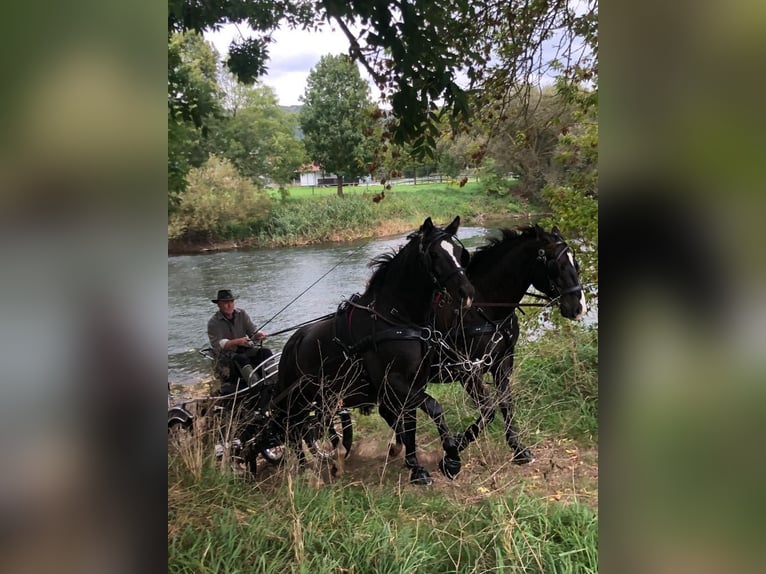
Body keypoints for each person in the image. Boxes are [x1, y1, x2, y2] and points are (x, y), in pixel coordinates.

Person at [207, 289, 273, 405]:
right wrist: (237, 341)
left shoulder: (241, 314)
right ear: (219, 304)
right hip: (225, 356)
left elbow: (252, 332)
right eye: (225, 302)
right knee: (241, 358)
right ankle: (256, 388)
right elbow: (220, 345)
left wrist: (259, 334)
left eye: (231, 301)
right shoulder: (213, 323)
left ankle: (274, 381)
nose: (229, 305)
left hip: (244, 349)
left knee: (265, 352)